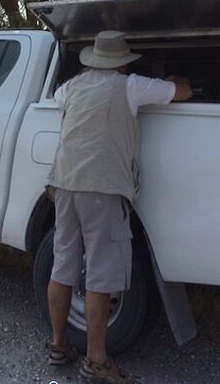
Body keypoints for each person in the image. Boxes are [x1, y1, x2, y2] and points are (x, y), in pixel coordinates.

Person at [45, 30, 193, 383]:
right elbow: (182, 92)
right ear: (124, 63)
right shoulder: (132, 86)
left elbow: (60, 100)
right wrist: (175, 80)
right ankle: (96, 361)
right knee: (101, 272)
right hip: (102, 188)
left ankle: (57, 346)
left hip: (64, 183)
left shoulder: (70, 88)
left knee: (63, 262)